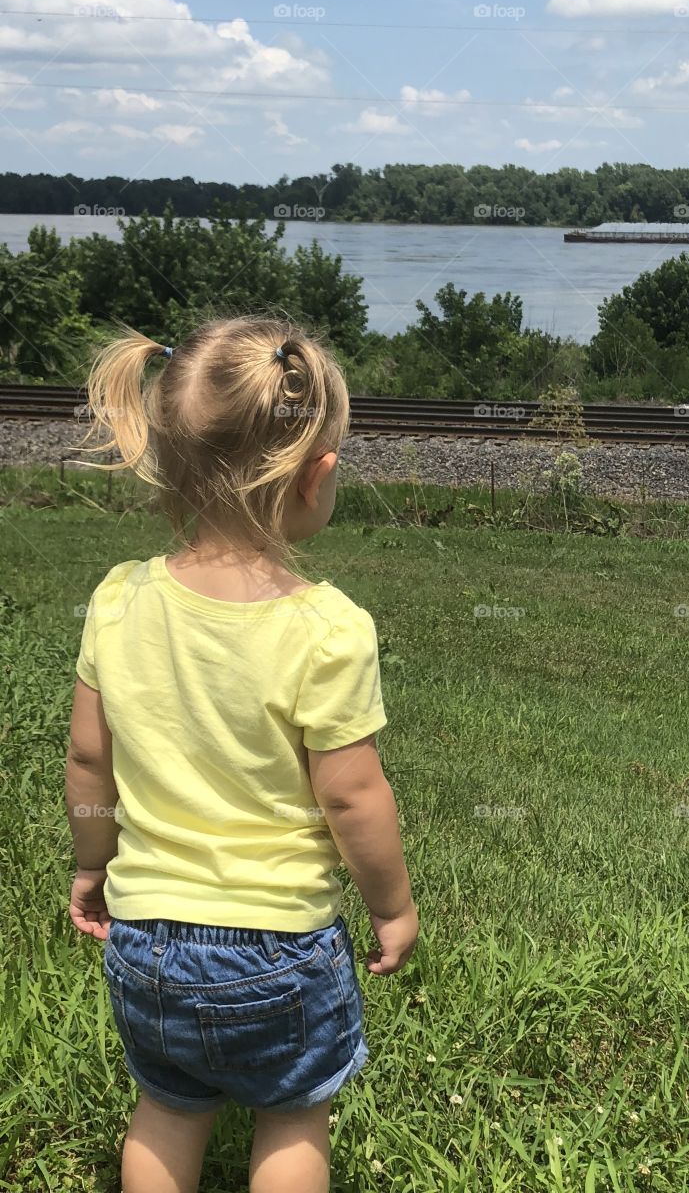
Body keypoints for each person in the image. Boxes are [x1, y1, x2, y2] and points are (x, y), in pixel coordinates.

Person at [64, 317, 418, 1193]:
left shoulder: (118, 600)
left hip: (145, 941)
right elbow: (353, 798)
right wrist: (393, 908)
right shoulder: (327, 628)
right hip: (281, 949)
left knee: (167, 1108)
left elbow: (86, 762)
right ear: (317, 476)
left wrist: (90, 865)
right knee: (294, 1115)